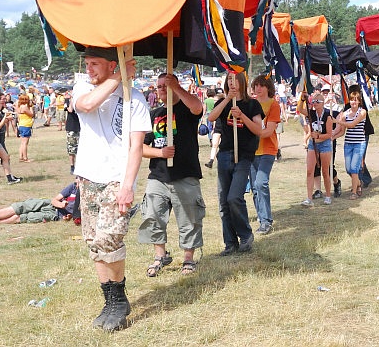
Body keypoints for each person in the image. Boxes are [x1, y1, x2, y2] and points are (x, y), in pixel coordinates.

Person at [72, 46, 151, 332]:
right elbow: (86, 105)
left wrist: (127, 186)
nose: (89, 68)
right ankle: (110, 299)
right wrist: (117, 78)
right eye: (88, 63)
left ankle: (117, 299)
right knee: (94, 241)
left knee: (110, 239)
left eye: (95, 64)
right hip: (88, 178)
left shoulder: (135, 98)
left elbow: (136, 147)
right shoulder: (82, 86)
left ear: (110, 64)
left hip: (116, 179)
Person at [138, 73, 205, 277]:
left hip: (185, 173)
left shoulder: (186, 109)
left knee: (189, 218)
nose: (160, 89)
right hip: (158, 175)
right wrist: (160, 153)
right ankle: (160, 255)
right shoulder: (154, 114)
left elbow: (198, 107)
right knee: (153, 216)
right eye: (158, 86)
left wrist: (176, 87)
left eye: (164, 85)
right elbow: (139, 147)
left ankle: (188, 258)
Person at [206, 72, 264, 255]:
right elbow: (211, 118)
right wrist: (227, 99)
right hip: (224, 155)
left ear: (242, 81)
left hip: (244, 155)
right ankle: (230, 243)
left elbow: (258, 130)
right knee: (224, 202)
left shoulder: (252, 104)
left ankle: (246, 234)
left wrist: (242, 117)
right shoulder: (223, 103)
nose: (232, 82)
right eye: (229, 79)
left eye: (235, 79)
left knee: (234, 197)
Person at [250, 75, 281, 234]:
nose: (258, 88)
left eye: (262, 85)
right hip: (251, 151)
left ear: (268, 87)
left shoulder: (273, 105)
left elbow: (269, 130)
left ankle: (266, 220)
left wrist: (254, 131)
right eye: (256, 85)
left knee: (261, 183)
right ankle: (262, 217)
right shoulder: (249, 104)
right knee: (255, 188)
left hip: (268, 150)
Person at [298, 90, 334, 206]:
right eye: (313, 101)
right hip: (313, 144)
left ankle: (328, 195)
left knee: (325, 171)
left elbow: (329, 134)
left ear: (323, 103)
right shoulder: (311, 113)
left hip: (324, 144)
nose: (315, 104)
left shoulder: (327, 115)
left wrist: (318, 135)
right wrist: (302, 99)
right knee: (310, 171)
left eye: (317, 101)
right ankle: (309, 198)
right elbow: (300, 109)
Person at [335, 89, 368, 198]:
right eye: (351, 100)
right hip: (348, 143)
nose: (353, 102)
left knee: (354, 168)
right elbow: (341, 131)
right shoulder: (346, 113)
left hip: (359, 143)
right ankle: (358, 183)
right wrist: (331, 136)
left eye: (355, 100)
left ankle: (354, 193)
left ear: (359, 101)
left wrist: (338, 121)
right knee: (348, 169)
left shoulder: (362, 112)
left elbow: (352, 124)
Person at [0, 181, 78, 224]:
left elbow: (76, 217)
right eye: (77, 178)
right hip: (49, 204)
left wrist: (68, 217)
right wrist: (61, 204)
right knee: (20, 207)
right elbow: (54, 200)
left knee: (22, 218)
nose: (76, 181)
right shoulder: (73, 186)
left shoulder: (87, 198)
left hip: (54, 215)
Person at [0, 96, 22, 184]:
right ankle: (10, 178)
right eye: (3, 99)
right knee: (5, 157)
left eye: (5, 98)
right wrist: (6, 117)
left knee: (6, 157)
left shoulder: (1, 109)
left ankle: (10, 178)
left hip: (0, 139)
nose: (5, 100)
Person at [64, 90, 81, 174]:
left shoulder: (80, 100)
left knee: (82, 148)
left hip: (81, 126)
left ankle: (80, 166)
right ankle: (72, 166)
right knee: (72, 148)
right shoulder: (67, 101)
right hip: (71, 127)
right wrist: (71, 99)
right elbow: (70, 110)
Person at [16, 93, 34, 163]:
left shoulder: (20, 106)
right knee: (25, 143)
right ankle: (25, 158)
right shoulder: (25, 107)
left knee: (22, 142)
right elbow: (31, 114)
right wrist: (31, 107)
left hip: (21, 125)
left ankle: (21, 157)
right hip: (26, 125)